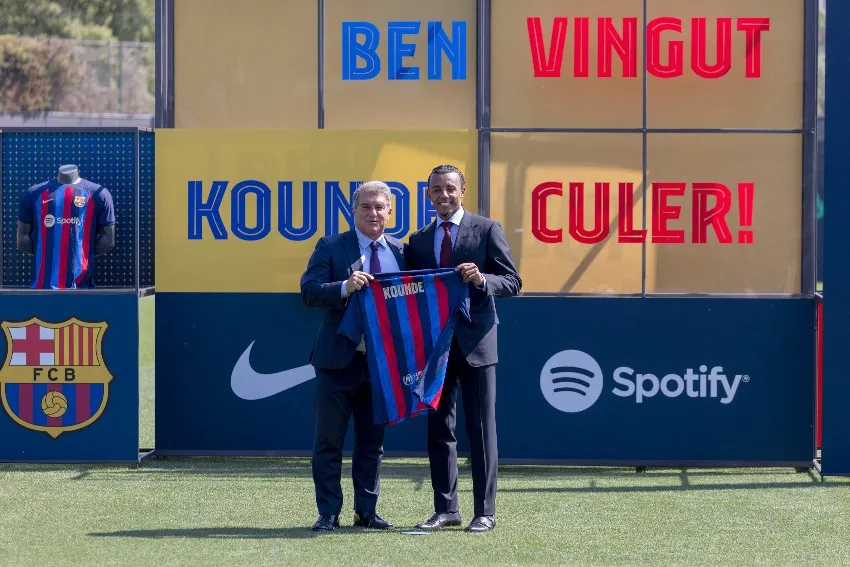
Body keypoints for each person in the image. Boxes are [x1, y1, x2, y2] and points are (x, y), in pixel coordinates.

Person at [405, 164, 522, 533]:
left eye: (450, 188)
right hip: (435, 347)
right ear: (428, 195)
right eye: (436, 189)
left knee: (481, 428)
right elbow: (412, 292)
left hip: (477, 342)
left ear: (462, 191)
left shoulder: (487, 229)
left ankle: (484, 512)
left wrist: (482, 278)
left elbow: (513, 281)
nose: (443, 195)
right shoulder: (419, 240)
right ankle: (446, 509)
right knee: (439, 427)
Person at [300, 181, 406, 532]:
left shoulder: (402, 252)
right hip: (337, 360)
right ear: (354, 210)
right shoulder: (331, 246)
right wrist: (345, 286)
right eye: (366, 207)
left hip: (381, 364)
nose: (373, 213)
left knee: (372, 444)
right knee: (328, 441)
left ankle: (367, 512)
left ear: (390, 212)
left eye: (380, 207)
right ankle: (328, 512)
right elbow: (309, 292)